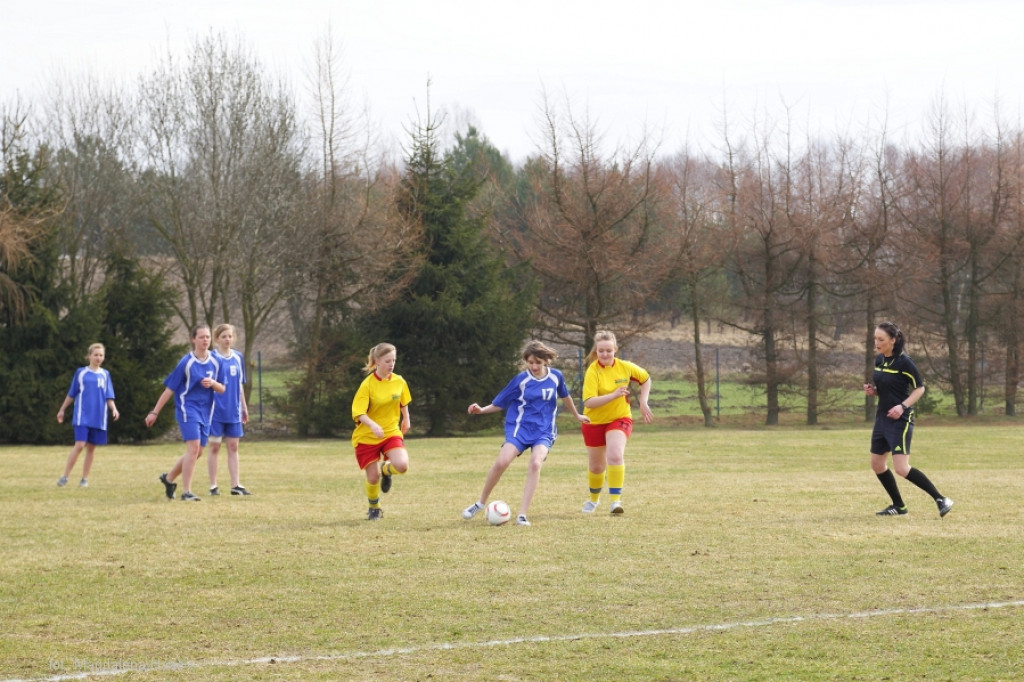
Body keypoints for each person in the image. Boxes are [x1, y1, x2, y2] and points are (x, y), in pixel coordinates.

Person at [462, 341, 589, 526]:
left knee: (536, 463)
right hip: (519, 429)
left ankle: (522, 515)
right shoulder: (520, 380)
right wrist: (480, 410)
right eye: (530, 362)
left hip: (544, 430)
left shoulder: (556, 377)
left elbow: (565, 396)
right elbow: (500, 403)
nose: (534, 366)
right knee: (501, 462)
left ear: (546, 360)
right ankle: (480, 503)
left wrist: (577, 414)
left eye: (538, 362)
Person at [864, 322, 954, 517]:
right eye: (875, 339)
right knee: (877, 464)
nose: (877, 343)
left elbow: (920, 388)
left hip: (900, 420)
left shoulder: (905, 362)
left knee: (901, 468)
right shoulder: (880, 361)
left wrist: (902, 406)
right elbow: (888, 389)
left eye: (881, 339)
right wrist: (874, 391)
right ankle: (899, 506)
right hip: (882, 418)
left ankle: (941, 499)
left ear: (893, 341)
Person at [145, 325, 226, 501]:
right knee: (193, 448)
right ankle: (186, 492)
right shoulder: (186, 363)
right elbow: (169, 390)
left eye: (207, 337)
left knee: (198, 452)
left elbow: (222, 388)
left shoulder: (216, 361)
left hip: (206, 411)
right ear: (193, 339)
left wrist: (212, 383)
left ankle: (168, 479)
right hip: (187, 408)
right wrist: (154, 412)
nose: (205, 340)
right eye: (201, 337)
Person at [580, 330, 653, 515]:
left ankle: (615, 502)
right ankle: (593, 500)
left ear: (615, 350)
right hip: (593, 421)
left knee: (614, 454)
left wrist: (643, 402)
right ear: (596, 352)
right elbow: (589, 402)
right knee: (597, 466)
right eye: (601, 351)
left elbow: (645, 379)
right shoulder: (592, 371)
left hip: (620, 418)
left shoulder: (625, 367)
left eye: (608, 350)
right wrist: (613, 395)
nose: (605, 354)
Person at [351, 343, 411, 520]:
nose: (391, 364)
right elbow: (358, 412)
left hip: (391, 431)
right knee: (373, 477)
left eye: (393, 360)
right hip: (367, 436)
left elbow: (403, 401)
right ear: (377, 361)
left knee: (402, 466)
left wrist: (406, 418)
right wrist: (372, 425)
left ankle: (387, 470)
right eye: (387, 361)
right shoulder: (367, 385)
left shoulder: (399, 381)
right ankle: (374, 507)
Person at [56, 343, 119, 487]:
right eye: (95, 355)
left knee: (91, 448)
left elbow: (109, 395)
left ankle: (84, 479)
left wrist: (114, 409)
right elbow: (72, 393)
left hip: (98, 417)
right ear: (89, 356)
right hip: (82, 416)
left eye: (101, 355)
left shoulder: (105, 374)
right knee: (79, 445)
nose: (98, 357)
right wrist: (62, 409)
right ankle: (65, 476)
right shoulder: (81, 373)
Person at [206, 323, 251, 496]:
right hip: (215, 411)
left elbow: (239, 384)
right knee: (215, 447)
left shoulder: (238, 357)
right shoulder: (211, 358)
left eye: (230, 336)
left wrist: (244, 407)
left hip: (233, 410)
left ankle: (235, 485)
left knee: (233, 447)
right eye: (224, 336)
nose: (227, 339)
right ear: (217, 339)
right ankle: (213, 486)